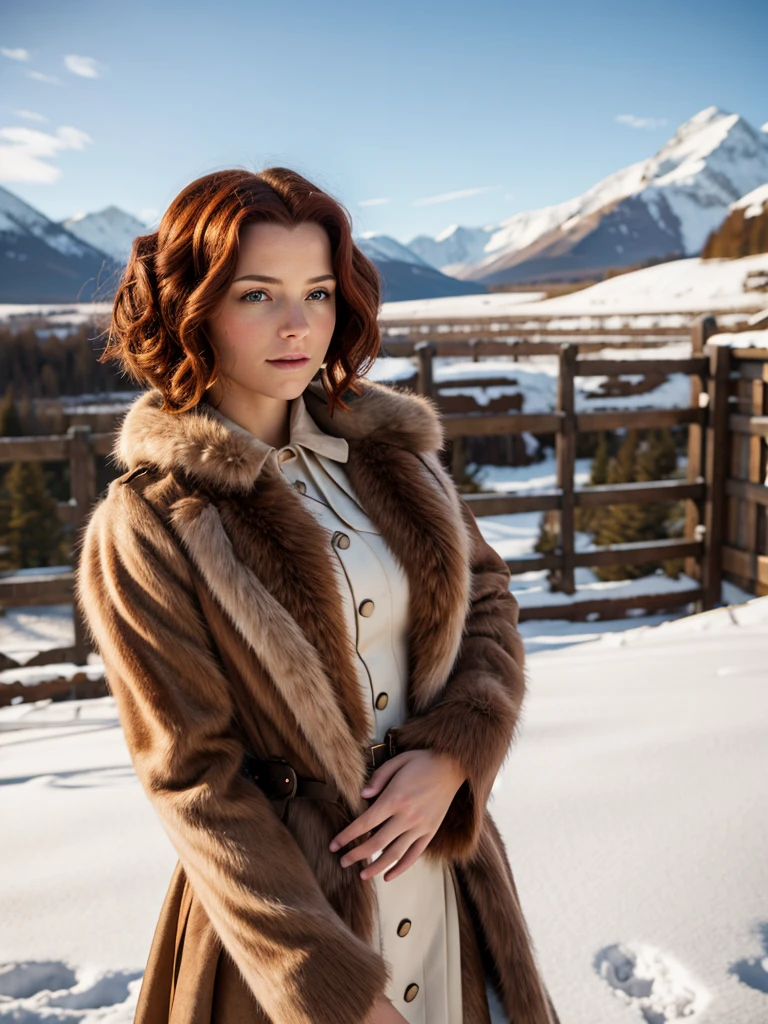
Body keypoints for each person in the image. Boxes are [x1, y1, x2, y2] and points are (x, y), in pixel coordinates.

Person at [75, 166, 561, 1024]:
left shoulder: (394, 459)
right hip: (286, 943)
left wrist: (455, 755)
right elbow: (196, 781)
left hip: (454, 892)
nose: (300, 326)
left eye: (320, 293)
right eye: (258, 294)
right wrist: (332, 992)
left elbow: (488, 598)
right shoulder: (151, 520)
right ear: (193, 307)